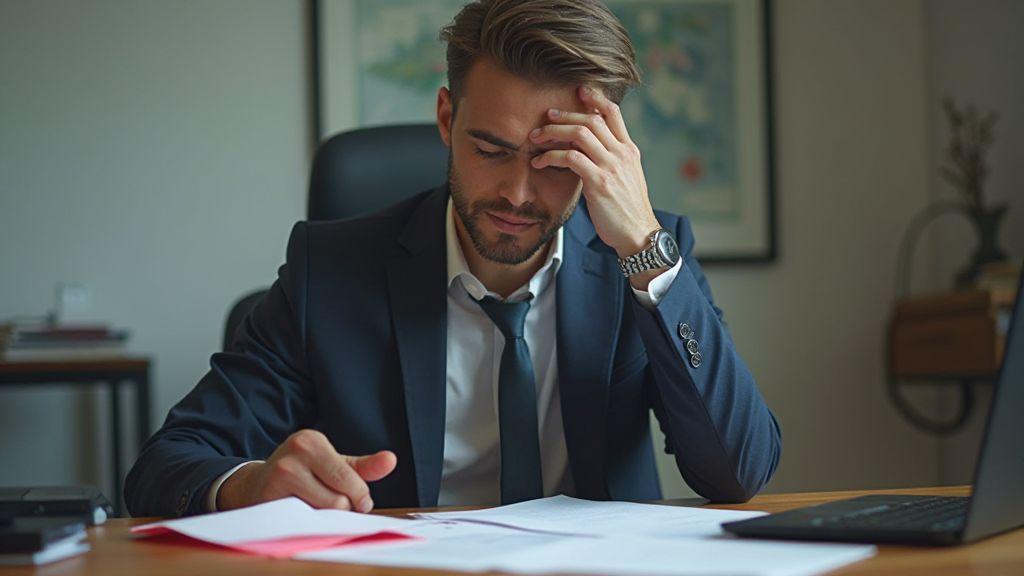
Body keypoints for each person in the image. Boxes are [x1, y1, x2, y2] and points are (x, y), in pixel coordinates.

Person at [125, 0, 781, 518]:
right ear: (446, 117)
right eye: (491, 150)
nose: (518, 196)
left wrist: (643, 247)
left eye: (554, 162)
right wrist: (253, 484)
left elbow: (738, 471)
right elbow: (165, 464)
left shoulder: (644, 259)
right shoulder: (330, 271)